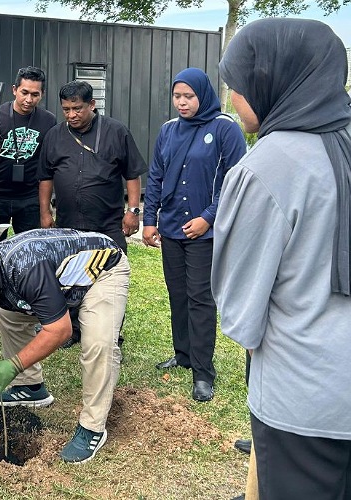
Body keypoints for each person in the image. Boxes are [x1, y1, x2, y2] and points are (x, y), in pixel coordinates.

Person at [213, 18, 351, 499]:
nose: (232, 97)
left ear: (272, 82)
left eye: (238, 85)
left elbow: (241, 310)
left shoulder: (267, 166)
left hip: (305, 403)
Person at [0, 228, 130, 464]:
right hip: (56, 281)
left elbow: (60, 330)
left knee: (98, 343)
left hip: (102, 270)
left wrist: (14, 365)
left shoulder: (26, 267)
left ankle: (93, 427)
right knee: (7, 314)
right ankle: (31, 387)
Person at [142, 67, 246, 402]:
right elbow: (155, 176)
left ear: (203, 94)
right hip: (172, 227)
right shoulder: (169, 130)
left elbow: (234, 181)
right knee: (177, 293)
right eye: (177, 96)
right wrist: (149, 220)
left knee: (201, 299)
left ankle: (203, 373)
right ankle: (183, 354)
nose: (182, 103)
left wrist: (208, 219)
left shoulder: (224, 128)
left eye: (189, 96)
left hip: (203, 233)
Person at [38, 80, 146, 254]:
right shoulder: (54, 136)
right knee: (68, 277)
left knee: (111, 275)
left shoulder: (117, 132)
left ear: (92, 104)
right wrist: (45, 212)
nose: (71, 115)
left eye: (77, 109)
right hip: (67, 226)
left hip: (108, 226)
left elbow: (132, 174)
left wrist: (133, 211)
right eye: (66, 110)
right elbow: (46, 177)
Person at [0, 66, 56, 238]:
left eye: (35, 95)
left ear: (42, 94)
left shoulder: (48, 121)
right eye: (24, 92)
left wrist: (45, 206)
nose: (28, 99)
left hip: (29, 197)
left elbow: (48, 164)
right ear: (14, 90)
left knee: (30, 249)